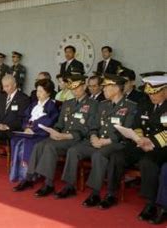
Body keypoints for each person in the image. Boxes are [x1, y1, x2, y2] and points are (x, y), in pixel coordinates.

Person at [56, 74, 136, 208]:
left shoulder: (130, 106)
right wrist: (93, 137)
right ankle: (70, 186)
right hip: (97, 140)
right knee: (74, 150)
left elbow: (127, 131)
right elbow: (93, 126)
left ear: (116, 88)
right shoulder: (103, 105)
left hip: (115, 143)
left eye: (105, 87)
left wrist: (105, 141)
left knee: (99, 155)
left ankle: (97, 193)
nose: (103, 90)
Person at [13, 75, 98, 196]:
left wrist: (66, 136)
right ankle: (29, 177)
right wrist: (55, 131)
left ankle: (49, 184)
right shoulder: (68, 103)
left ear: (84, 86)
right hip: (61, 136)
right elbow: (60, 123)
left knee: (50, 147)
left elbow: (89, 127)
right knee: (40, 145)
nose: (74, 90)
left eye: (77, 87)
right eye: (71, 88)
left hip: (76, 139)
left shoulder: (93, 104)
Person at [109, 74, 166, 221]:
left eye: (155, 93)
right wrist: (140, 138)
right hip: (142, 142)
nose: (151, 96)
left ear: (165, 91)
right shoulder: (144, 103)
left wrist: (151, 142)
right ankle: (111, 193)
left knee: (147, 163)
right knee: (118, 156)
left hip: (162, 147)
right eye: (149, 93)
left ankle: (150, 203)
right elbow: (136, 124)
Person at [10, 79, 59, 182]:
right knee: (15, 140)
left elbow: (49, 121)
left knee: (26, 144)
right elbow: (25, 117)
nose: (38, 94)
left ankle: (28, 176)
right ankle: (16, 173)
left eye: (41, 91)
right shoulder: (33, 104)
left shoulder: (52, 106)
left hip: (40, 134)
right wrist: (26, 127)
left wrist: (32, 128)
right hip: (29, 132)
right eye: (37, 91)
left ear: (48, 92)